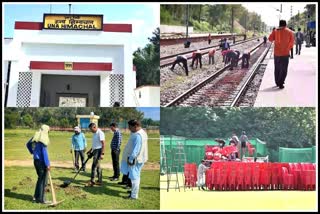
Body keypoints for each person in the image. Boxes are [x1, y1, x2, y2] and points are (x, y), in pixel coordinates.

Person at [121, 120, 148, 200]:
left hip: (135, 160)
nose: (129, 128)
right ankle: (133, 192)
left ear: (135, 126)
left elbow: (136, 149)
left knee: (134, 178)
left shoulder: (138, 135)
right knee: (135, 176)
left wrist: (131, 158)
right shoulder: (141, 132)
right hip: (137, 158)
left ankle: (133, 196)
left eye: (130, 127)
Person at [26, 124, 51, 204]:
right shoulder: (43, 138)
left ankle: (36, 197)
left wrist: (33, 152)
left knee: (40, 179)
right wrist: (47, 164)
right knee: (43, 180)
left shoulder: (36, 136)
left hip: (36, 161)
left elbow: (28, 144)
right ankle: (41, 199)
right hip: (41, 162)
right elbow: (44, 153)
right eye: (48, 131)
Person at [268, 20, 294, 89]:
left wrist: (273, 32)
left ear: (279, 25)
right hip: (285, 54)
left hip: (277, 54)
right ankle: (281, 83)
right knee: (284, 69)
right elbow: (292, 43)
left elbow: (270, 39)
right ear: (286, 25)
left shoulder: (276, 31)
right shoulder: (290, 32)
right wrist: (287, 48)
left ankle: (277, 82)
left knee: (277, 68)